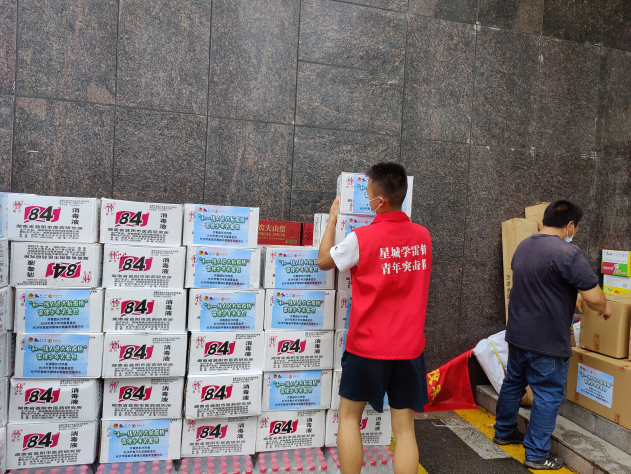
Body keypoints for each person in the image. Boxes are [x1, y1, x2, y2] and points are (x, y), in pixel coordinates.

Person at [317, 163, 432, 474]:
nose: (366, 199)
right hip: (409, 348)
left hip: (367, 346)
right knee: (404, 429)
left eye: (368, 194)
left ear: (379, 201)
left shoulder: (361, 238)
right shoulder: (423, 236)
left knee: (349, 417)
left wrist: (332, 221)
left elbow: (324, 261)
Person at [493, 199, 611, 470]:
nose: (575, 232)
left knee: (513, 384)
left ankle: (504, 432)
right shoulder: (568, 253)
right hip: (547, 341)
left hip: (518, 334)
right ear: (570, 225)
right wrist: (606, 309)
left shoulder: (524, 246)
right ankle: (536, 455)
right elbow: (595, 298)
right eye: (576, 227)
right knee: (548, 394)